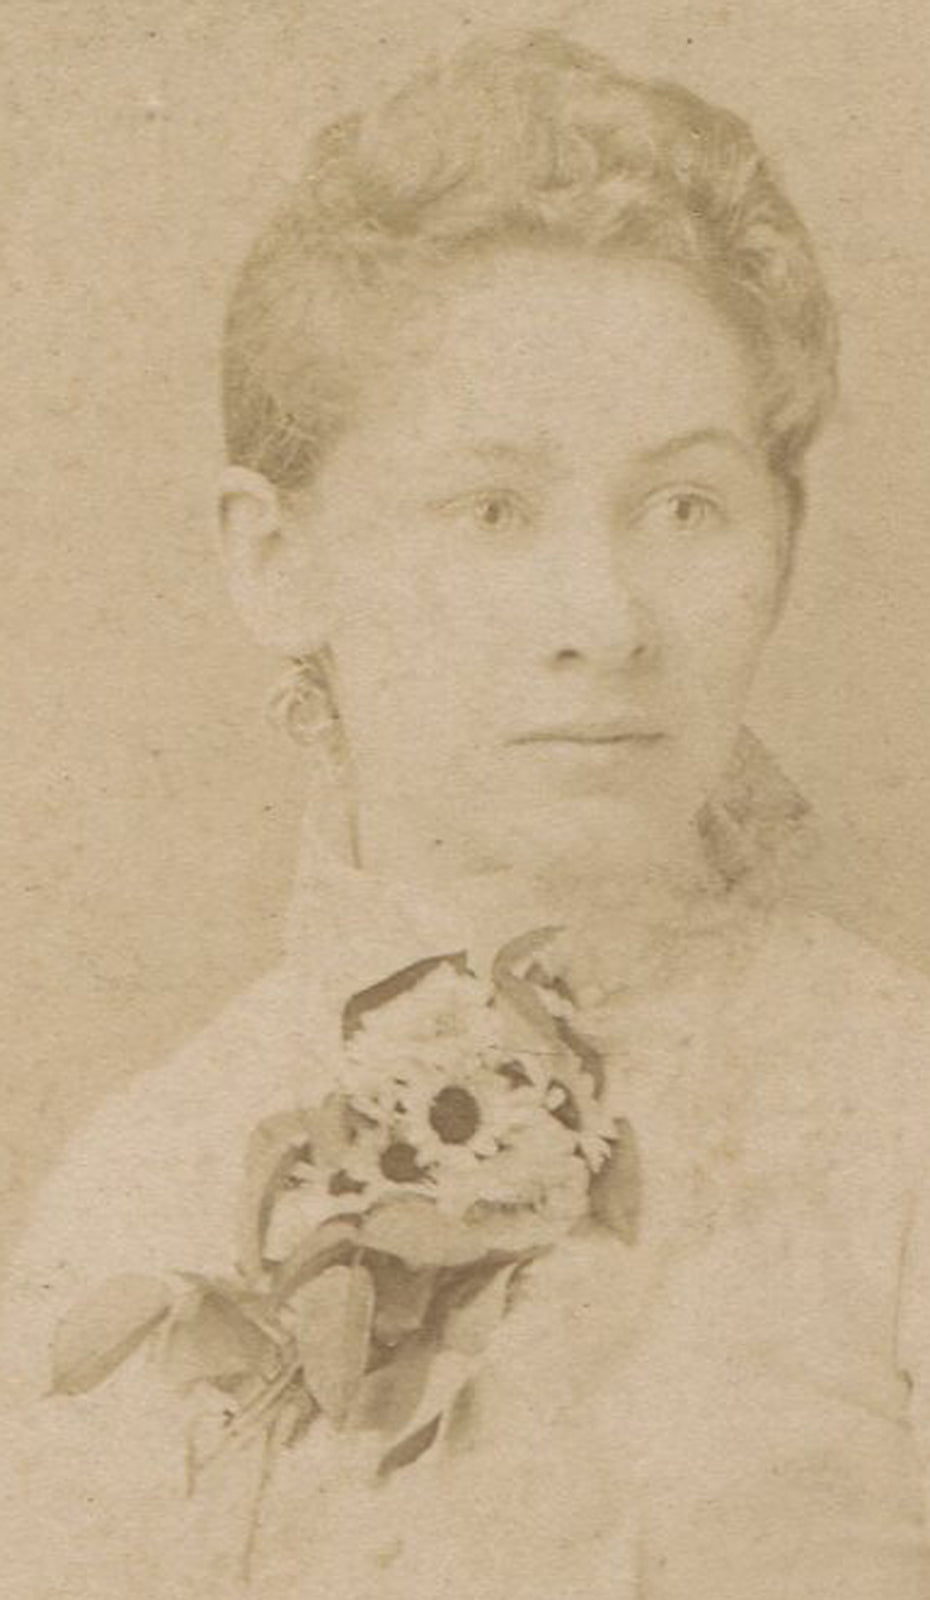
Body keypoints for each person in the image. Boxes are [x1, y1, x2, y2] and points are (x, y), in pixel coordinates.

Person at [3, 27, 930, 1599]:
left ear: (778, 549)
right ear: (273, 559)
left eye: (684, 506)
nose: (604, 613)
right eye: (491, 509)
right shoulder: (133, 1185)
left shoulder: (897, 1130)